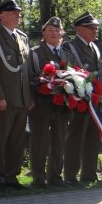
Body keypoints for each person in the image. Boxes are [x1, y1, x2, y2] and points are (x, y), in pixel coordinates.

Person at [0, 0, 33, 190]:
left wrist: (29, 97)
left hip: (21, 98)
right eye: (13, 13)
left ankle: (12, 175)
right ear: (2, 16)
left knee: (17, 140)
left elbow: (26, 70)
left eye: (18, 12)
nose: (18, 15)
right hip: (4, 98)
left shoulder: (22, 37)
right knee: (1, 138)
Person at [27, 17, 74, 188]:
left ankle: (55, 177)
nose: (54, 33)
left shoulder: (67, 53)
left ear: (62, 33)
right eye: (50, 30)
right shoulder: (35, 52)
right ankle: (39, 179)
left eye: (57, 30)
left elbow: (75, 75)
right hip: (41, 103)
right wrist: (30, 99)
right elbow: (29, 76)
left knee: (59, 141)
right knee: (39, 142)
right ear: (43, 33)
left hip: (62, 104)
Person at [61, 12, 102, 185]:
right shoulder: (69, 47)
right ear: (79, 29)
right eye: (91, 27)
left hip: (95, 99)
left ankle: (89, 174)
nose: (95, 30)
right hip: (79, 99)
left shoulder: (94, 47)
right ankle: (70, 176)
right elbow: (68, 71)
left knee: (93, 137)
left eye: (96, 27)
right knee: (75, 138)